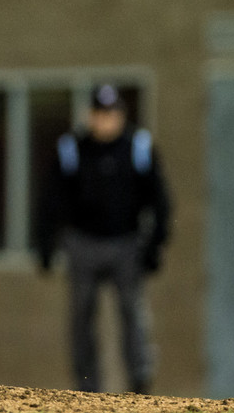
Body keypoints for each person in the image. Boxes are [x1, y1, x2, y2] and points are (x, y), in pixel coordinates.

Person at [36, 84, 171, 394]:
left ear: (121, 116)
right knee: (81, 317)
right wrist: (45, 243)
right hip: (82, 243)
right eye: (99, 114)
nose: (105, 121)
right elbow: (50, 200)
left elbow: (160, 200)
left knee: (133, 314)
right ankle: (87, 387)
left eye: (111, 114)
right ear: (90, 116)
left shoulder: (138, 147)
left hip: (126, 243)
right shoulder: (72, 148)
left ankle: (140, 384)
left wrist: (155, 244)